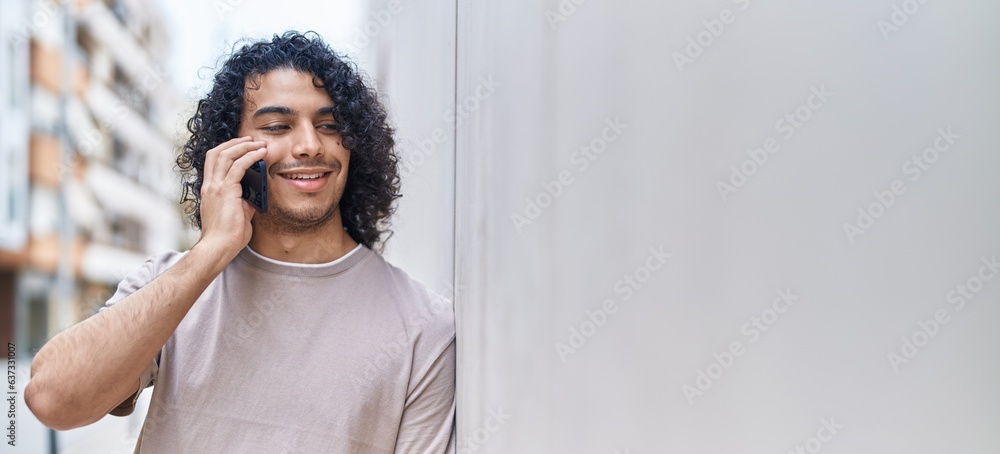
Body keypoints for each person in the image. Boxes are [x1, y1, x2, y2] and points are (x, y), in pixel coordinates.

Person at [25, 31, 456, 453]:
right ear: (228, 152)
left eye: (329, 125)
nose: (309, 145)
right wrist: (213, 250)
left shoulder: (424, 327)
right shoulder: (172, 284)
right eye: (277, 125)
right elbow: (53, 399)